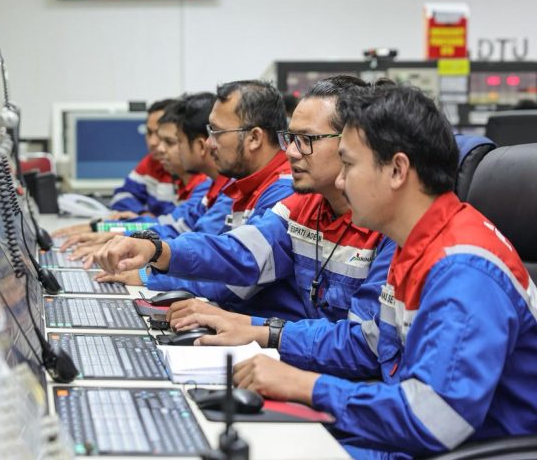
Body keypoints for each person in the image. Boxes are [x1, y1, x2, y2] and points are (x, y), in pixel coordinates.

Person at [224, 85, 537, 459]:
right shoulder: (415, 245)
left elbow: (434, 419)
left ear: (397, 170)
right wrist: (273, 344)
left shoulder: (463, 270)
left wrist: (307, 387)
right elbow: (368, 345)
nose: (340, 181)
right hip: (401, 434)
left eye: (350, 165)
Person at [91, 76, 395, 326]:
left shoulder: (385, 227)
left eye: (306, 140)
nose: (290, 152)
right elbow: (237, 254)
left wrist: (261, 332)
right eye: (291, 138)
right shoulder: (301, 207)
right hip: (305, 358)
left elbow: (361, 346)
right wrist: (156, 249)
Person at [94, 80, 298, 297]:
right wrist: (115, 232)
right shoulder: (241, 184)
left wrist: (152, 263)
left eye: (217, 132)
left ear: (255, 138)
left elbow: (237, 264)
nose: (208, 144)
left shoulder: (283, 191)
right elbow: (185, 232)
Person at [60, 93, 233, 264]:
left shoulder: (213, 188)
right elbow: (170, 227)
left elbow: (197, 251)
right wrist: (110, 233)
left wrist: (145, 273)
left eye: (173, 142)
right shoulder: (211, 187)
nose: (159, 147)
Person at [110, 98, 179, 215]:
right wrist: (142, 214)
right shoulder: (151, 162)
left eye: (158, 133)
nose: (152, 142)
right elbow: (121, 195)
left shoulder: (195, 173)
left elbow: (181, 223)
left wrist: (148, 221)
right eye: (149, 132)